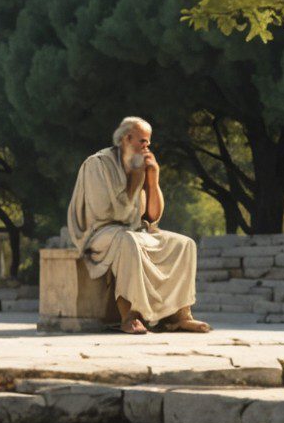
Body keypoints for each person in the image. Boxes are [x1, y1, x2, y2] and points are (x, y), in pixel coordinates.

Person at [63, 116, 211, 335]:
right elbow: (105, 213)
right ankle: (130, 315)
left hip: (134, 230)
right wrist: (135, 179)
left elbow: (153, 216)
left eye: (148, 142)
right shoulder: (98, 164)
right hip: (98, 232)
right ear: (126, 139)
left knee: (184, 244)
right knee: (129, 242)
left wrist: (152, 178)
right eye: (142, 141)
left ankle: (179, 315)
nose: (147, 146)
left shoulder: (139, 165)